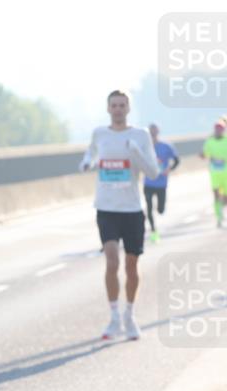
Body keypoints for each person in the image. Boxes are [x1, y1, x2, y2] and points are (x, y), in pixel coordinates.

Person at [79, 90, 159, 341]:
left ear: (128, 108)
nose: (117, 109)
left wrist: (136, 153)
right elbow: (90, 153)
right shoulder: (99, 133)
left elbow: (153, 172)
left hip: (132, 210)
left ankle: (130, 314)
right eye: (113, 105)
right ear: (108, 108)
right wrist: (87, 163)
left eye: (122, 105)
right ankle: (114, 316)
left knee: (131, 265)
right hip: (106, 208)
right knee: (112, 261)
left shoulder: (140, 135)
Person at [141, 123, 180, 243]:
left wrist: (170, 169)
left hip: (161, 183)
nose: (153, 134)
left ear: (158, 132)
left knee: (160, 210)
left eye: (154, 131)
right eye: (151, 132)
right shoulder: (144, 147)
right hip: (148, 183)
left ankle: (159, 210)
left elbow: (177, 160)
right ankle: (154, 231)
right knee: (149, 208)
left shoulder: (166, 146)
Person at [199, 119, 227, 228]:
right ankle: (219, 217)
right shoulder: (209, 141)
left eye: (221, 128)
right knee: (216, 195)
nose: (219, 130)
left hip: (226, 173)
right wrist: (202, 155)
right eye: (217, 128)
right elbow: (204, 154)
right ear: (214, 130)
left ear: (223, 129)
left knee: (225, 198)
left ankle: (221, 208)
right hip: (215, 173)